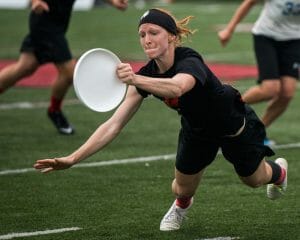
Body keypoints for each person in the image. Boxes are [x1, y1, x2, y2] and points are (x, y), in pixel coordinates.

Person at [34, 8, 288, 231]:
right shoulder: (145, 76)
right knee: (181, 189)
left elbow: (177, 88)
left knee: (253, 180)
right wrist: (73, 158)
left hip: (235, 127)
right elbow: (113, 124)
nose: (147, 39)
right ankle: (181, 206)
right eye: (142, 34)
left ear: (172, 37)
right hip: (197, 131)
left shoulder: (189, 60)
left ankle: (279, 172)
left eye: (154, 32)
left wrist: (135, 79)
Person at [0, 0, 128, 135]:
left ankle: (54, 110)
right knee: (68, 73)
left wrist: (113, 2)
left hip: (54, 26)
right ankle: (54, 111)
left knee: (25, 67)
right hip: (46, 25)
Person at [218, 0, 300, 145]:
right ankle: (229, 106)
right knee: (270, 89)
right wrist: (229, 30)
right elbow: (249, 2)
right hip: (266, 36)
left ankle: (256, 132)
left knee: (287, 93)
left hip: (294, 40)